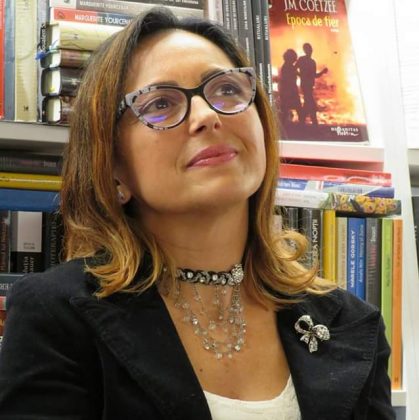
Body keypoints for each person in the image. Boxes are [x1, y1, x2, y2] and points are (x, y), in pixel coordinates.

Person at [0, 9, 394, 420]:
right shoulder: (57, 317)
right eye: (160, 103)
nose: (207, 116)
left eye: (226, 89)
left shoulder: (351, 323)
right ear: (113, 165)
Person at [296, 42, 328, 126]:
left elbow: (315, 75)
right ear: (305, 50)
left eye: (310, 49)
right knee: (311, 104)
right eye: (308, 49)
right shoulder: (302, 59)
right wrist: (301, 75)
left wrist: (322, 72)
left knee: (308, 103)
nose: (310, 51)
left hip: (309, 86)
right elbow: (294, 69)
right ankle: (314, 123)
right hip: (305, 85)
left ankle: (303, 121)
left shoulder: (312, 62)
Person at [279, 48, 302, 126]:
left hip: (288, 91)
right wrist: (297, 65)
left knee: (286, 111)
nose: (294, 59)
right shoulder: (286, 67)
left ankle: (283, 127)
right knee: (296, 110)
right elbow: (290, 76)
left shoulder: (289, 66)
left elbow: (298, 74)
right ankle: (302, 127)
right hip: (289, 92)